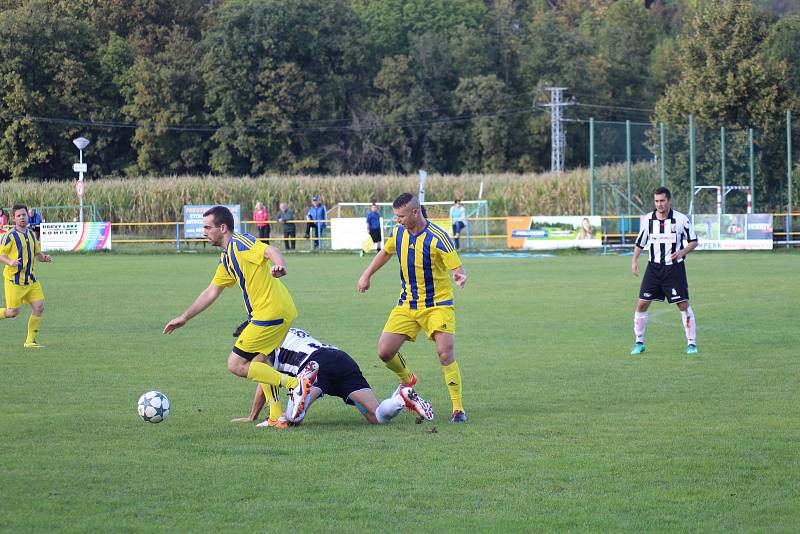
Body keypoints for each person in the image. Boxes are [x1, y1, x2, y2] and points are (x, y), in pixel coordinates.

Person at [163, 205, 301, 426]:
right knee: (259, 362)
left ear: (223, 227)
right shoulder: (227, 258)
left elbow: (269, 249)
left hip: (270, 312)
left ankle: (295, 384)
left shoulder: (240, 243)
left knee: (236, 364)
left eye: (208, 227)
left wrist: (280, 265)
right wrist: (184, 317)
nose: (204, 232)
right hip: (277, 312)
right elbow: (211, 291)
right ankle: (277, 416)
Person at [357, 193, 469, 423]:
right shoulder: (398, 233)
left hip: (438, 304)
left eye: (401, 216)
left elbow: (458, 268)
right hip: (407, 303)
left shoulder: (439, 237)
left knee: (445, 353)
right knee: (384, 351)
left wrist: (460, 276)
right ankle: (408, 381)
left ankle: (458, 409)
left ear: (415, 213)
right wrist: (367, 275)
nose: (397, 220)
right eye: (396, 216)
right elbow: (385, 252)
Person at [231, 327, 434, 428]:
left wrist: (253, 416)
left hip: (315, 365)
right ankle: (401, 398)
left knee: (292, 420)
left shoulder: (262, 339)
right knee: (377, 417)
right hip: (340, 358)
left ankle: (301, 388)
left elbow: (264, 376)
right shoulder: (287, 328)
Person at [630, 187, 699, 356]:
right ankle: (639, 342)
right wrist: (634, 260)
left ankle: (691, 343)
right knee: (642, 304)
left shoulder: (681, 219)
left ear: (669, 200)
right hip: (653, 268)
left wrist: (682, 252)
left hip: (674, 269)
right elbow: (640, 242)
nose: (659, 204)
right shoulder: (648, 220)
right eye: (656, 201)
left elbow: (694, 241)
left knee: (682, 304)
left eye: (662, 201)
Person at [0, 204, 53, 348]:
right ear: (13, 218)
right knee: (12, 312)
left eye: (23, 214)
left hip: (30, 279)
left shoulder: (31, 234)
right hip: (14, 280)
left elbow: (37, 254)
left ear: (27, 215)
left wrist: (45, 258)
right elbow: (1, 255)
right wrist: (10, 261)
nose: (22, 217)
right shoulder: (9, 236)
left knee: (39, 306)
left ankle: (30, 341)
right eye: (18, 215)